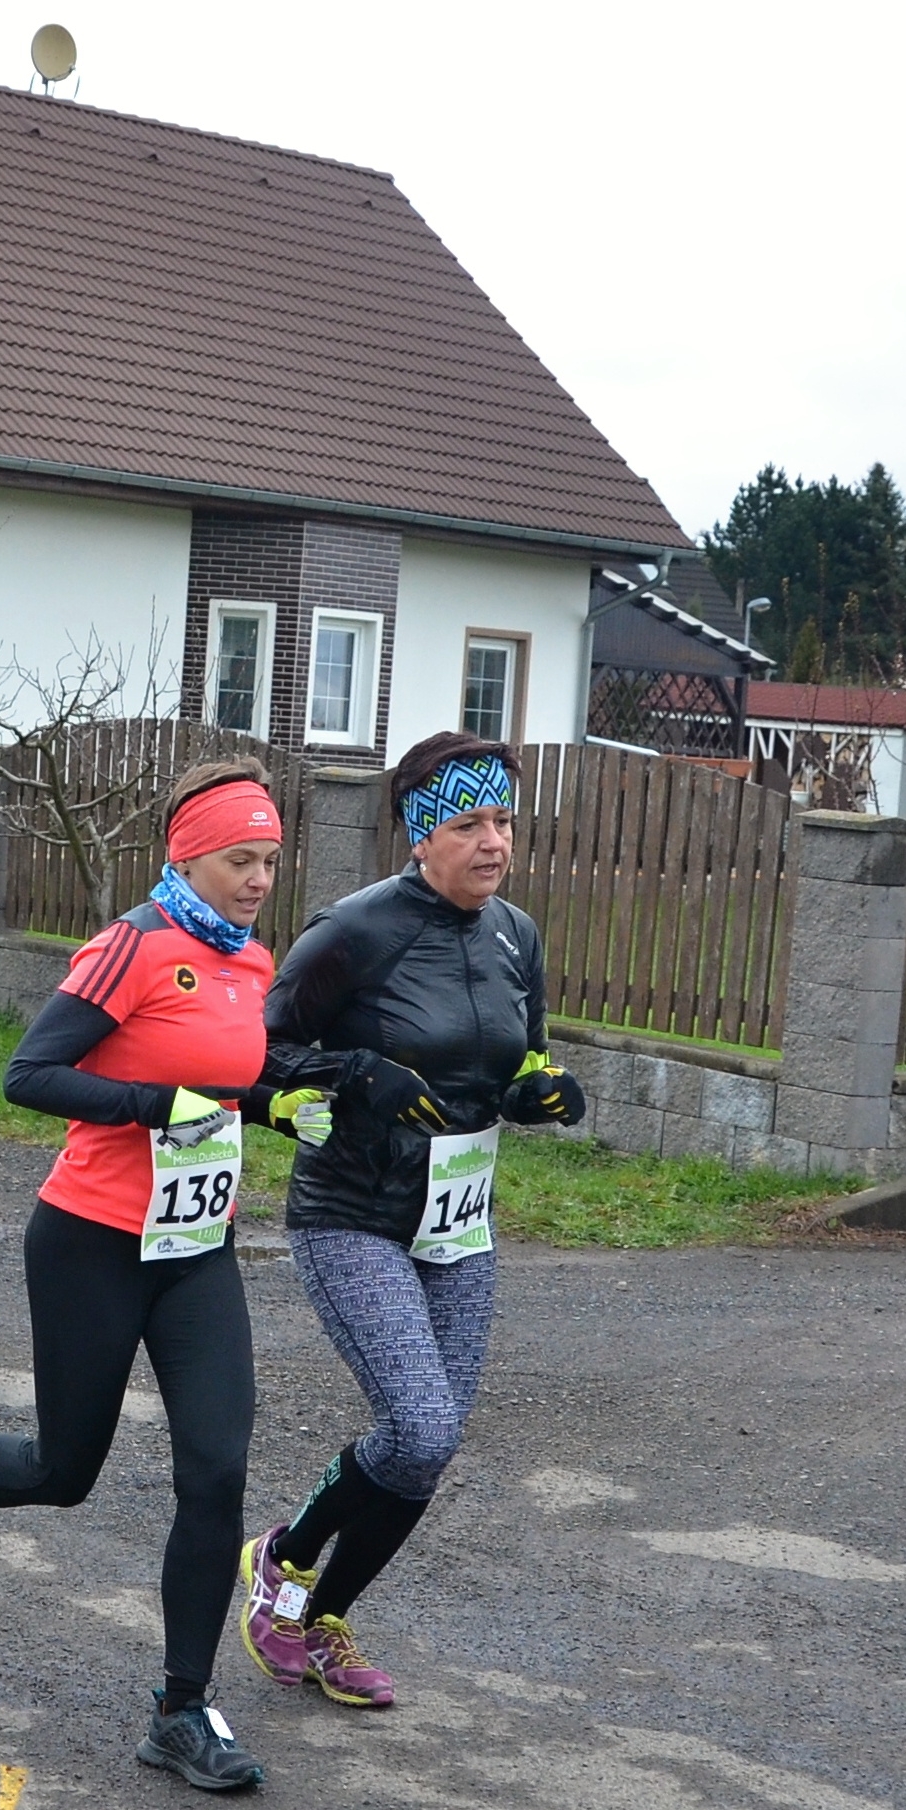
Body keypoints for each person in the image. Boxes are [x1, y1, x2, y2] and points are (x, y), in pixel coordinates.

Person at [0, 762, 297, 1791]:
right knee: (65, 1471)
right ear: (186, 854)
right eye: (240, 859)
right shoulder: (131, 946)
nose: (258, 879)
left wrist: (283, 1105)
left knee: (217, 1470)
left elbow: (234, 1082)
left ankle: (181, 1711)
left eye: (270, 861)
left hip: (193, 1247)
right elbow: (29, 1074)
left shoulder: (251, 964)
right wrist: (158, 1105)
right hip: (91, 1238)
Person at [238, 734, 589, 1713]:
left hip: (456, 1219)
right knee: (421, 1422)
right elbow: (255, 1054)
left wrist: (540, 1094)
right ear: (421, 834)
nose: (494, 843)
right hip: (351, 1212)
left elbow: (516, 1059)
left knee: (429, 1443)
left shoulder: (516, 934)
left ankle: (316, 1616)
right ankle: (282, 1563)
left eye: (505, 822)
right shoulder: (352, 932)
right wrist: (356, 1074)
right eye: (470, 824)